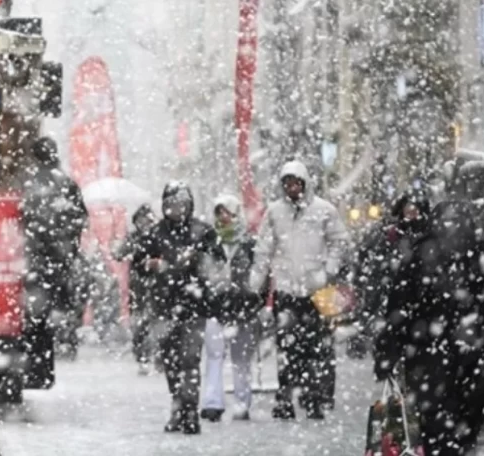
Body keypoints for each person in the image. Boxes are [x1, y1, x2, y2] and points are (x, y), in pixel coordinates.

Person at [373, 194, 484, 456]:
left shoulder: (422, 255)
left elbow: (398, 309)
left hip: (436, 355)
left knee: (439, 425)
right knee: (458, 424)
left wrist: (388, 351)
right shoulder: (481, 256)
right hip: (461, 356)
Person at [248, 159, 348, 420]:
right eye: (287, 183)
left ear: (304, 183)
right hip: (287, 290)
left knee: (317, 347)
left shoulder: (324, 211)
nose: (292, 187)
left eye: (296, 182)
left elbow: (339, 241)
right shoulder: (275, 213)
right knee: (287, 348)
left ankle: (315, 397)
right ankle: (285, 398)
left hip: (318, 291)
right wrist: (256, 281)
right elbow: (263, 249)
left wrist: (328, 271)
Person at [133, 182, 224, 434]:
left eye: (182, 203)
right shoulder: (155, 233)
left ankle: (190, 412)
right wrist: (150, 265)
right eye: (172, 204)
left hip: (194, 306)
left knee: (190, 359)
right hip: (163, 306)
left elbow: (218, 262)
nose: (177, 209)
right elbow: (137, 262)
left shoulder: (202, 231)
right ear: (164, 205)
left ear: (190, 204)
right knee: (171, 362)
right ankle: (178, 406)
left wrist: (198, 260)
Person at [19, 136, 89, 379]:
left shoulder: (27, 184)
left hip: (32, 260)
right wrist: (67, 248)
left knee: (34, 315)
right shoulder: (65, 184)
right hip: (58, 260)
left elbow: (20, 219)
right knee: (53, 311)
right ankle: (50, 358)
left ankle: (35, 366)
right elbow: (80, 219)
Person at [200, 194, 259, 422]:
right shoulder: (210, 242)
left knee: (241, 358)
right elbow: (203, 274)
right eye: (219, 212)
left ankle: (242, 403)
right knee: (214, 355)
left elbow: (260, 275)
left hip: (243, 308)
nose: (224, 217)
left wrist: (255, 301)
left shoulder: (249, 244)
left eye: (228, 212)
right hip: (215, 308)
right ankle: (212, 402)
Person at [115, 204, 160, 375]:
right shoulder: (133, 238)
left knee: (157, 322)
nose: (144, 223)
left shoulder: (159, 237)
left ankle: (159, 356)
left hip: (158, 285)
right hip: (139, 286)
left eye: (146, 220)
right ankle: (142, 357)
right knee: (140, 324)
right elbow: (119, 254)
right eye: (140, 220)